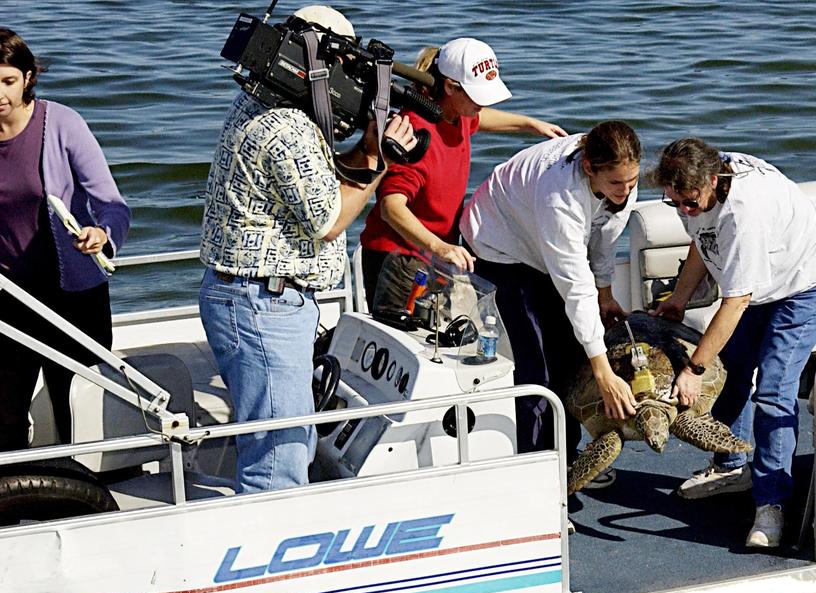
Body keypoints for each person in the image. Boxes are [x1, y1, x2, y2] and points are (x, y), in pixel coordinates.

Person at [199, 5, 417, 493]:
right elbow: (328, 220)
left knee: (274, 445)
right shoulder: (290, 128)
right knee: (278, 462)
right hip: (263, 305)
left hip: (249, 298)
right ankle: (265, 565)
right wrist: (383, 157)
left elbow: (314, 183)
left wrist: (364, 150)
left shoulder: (258, 101)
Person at [650, 138, 816, 549]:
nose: (684, 211)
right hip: (761, 279)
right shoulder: (698, 195)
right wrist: (678, 301)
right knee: (733, 369)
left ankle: (772, 505)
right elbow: (702, 243)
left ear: (712, 179)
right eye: (676, 204)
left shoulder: (744, 212)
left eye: (690, 202)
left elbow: (737, 300)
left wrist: (693, 370)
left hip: (806, 280)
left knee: (775, 388)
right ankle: (731, 464)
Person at [460, 121, 641, 464]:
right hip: (500, 246)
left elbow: (605, 238)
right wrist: (603, 373)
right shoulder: (561, 197)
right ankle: (540, 467)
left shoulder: (618, 180)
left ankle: (567, 456)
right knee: (537, 365)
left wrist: (605, 293)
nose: (625, 190)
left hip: (540, 241)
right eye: (616, 183)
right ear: (589, 168)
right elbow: (574, 285)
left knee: (571, 357)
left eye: (632, 181)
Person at [359, 37, 565, 311]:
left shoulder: (458, 114)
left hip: (433, 253)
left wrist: (530, 124)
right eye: (477, 96)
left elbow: (479, 118)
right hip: (398, 259)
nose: (481, 104)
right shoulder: (415, 132)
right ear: (450, 86)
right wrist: (439, 247)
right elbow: (390, 207)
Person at [0, 28, 130, 452]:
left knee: (72, 404)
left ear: (28, 78)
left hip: (72, 295)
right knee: (6, 409)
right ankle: (17, 502)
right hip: (9, 297)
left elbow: (112, 204)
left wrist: (101, 234)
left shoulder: (62, 124)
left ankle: (81, 498)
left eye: (8, 81)